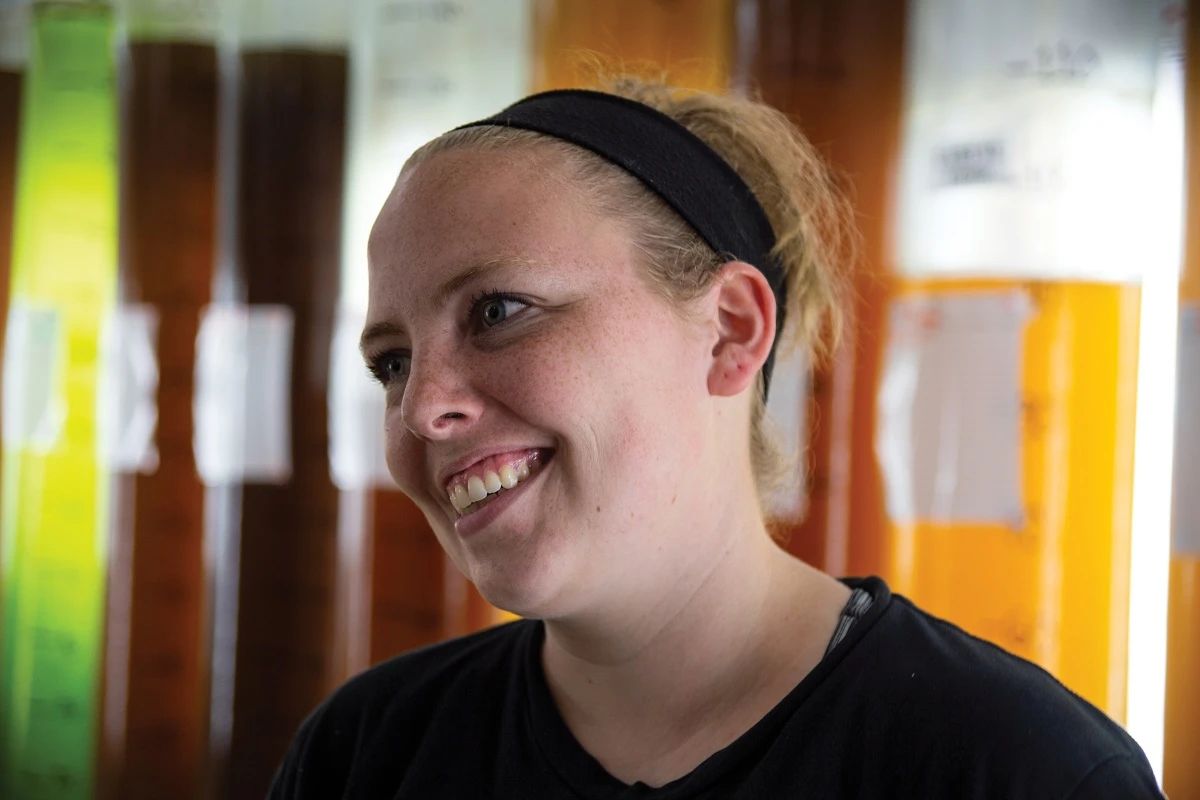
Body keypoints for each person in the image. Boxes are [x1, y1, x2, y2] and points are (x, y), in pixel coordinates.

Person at [269, 79, 1161, 798]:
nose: (423, 408)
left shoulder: (1018, 768)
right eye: (391, 363)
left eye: (499, 312)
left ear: (732, 331)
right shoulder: (368, 754)